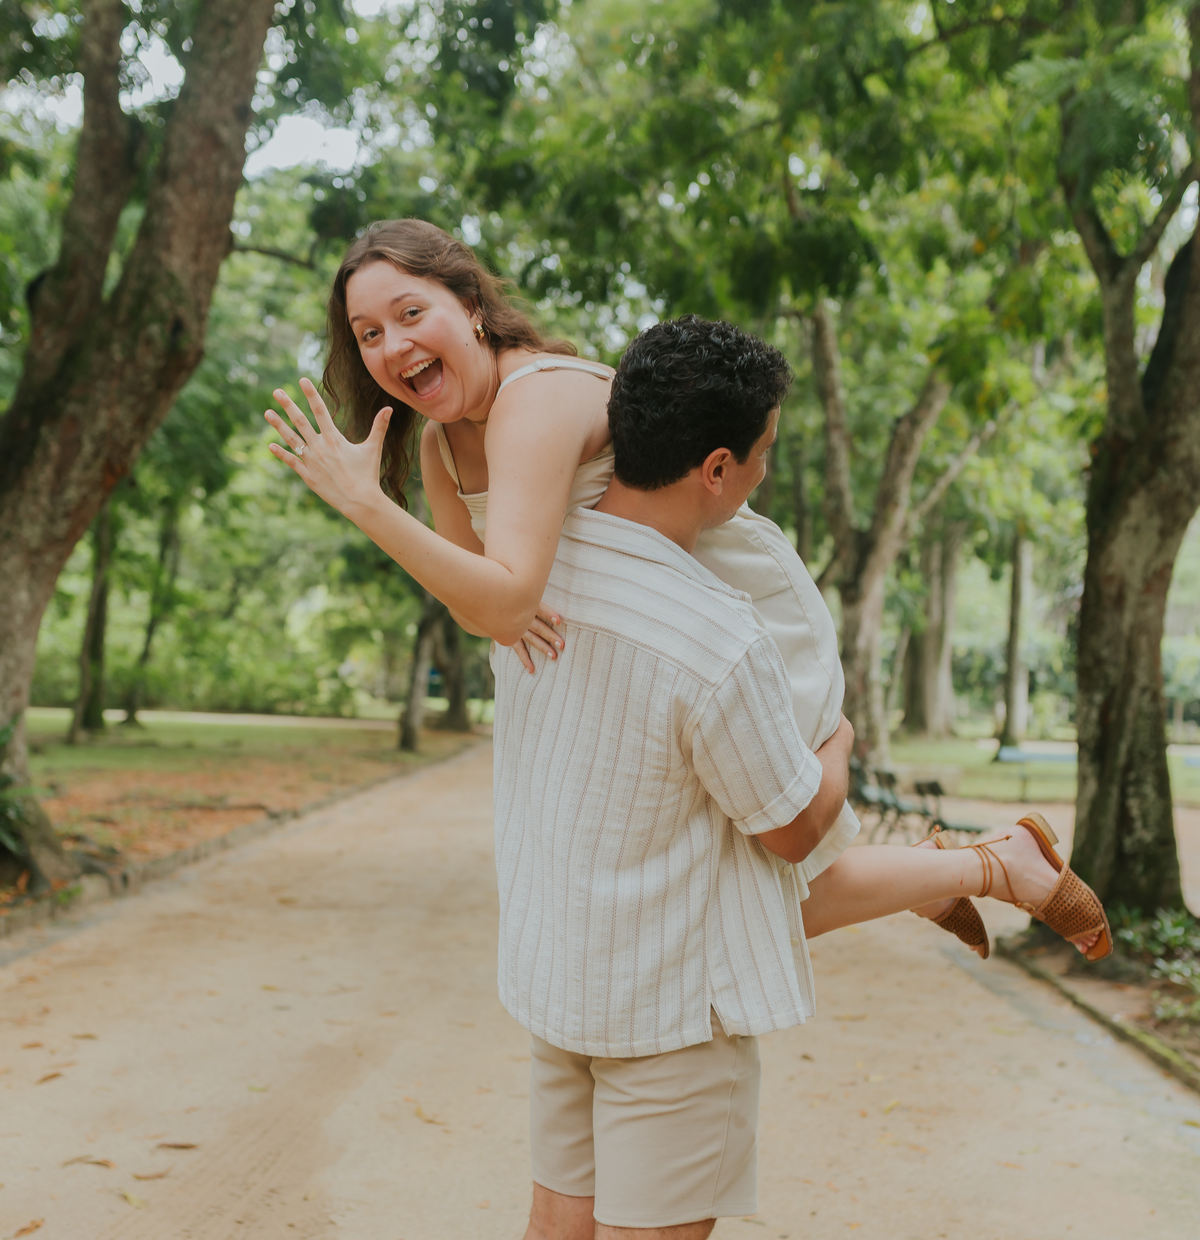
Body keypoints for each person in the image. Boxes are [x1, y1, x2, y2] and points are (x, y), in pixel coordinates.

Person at [487, 316, 1107, 1240]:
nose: (761, 476)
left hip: (562, 966)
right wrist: (825, 738)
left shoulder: (532, 550)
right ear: (714, 467)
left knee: (561, 1236)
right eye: (760, 455)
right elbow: (795, 825)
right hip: (668, 998)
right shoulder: (715, 635)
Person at [264, 220, 1110, 965]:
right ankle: (967, 870)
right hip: (644, 647)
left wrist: (369, 508)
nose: (391, 346)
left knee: (763, 880)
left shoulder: (536, 397)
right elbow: (478, 605)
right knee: (720, 895)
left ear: (470, 304)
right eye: (368, 333)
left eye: (411, 313)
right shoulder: (443, 448)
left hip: (733, 607)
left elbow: (507, 602)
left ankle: (982, 866)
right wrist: (499, 594)